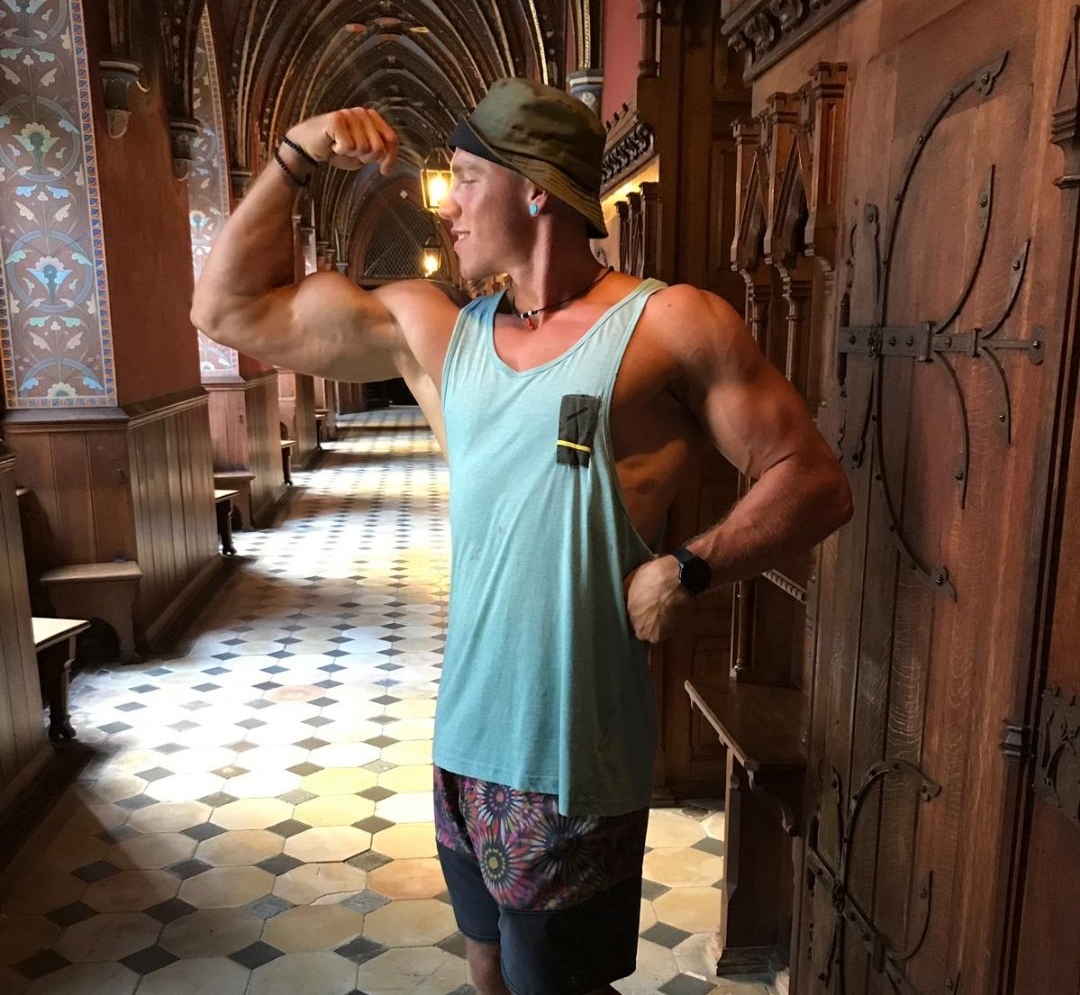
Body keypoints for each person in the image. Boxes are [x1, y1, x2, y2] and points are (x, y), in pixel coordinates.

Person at [192, 77, 852, 995]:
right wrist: (297, 155)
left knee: (557, 985)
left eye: (465, 178)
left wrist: (688, 568)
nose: (448, 206)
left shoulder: (669, 323)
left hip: (574, 751)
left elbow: (812, 480)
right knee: (489, 966)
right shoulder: (436, 332)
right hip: (465, 738)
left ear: (535, 189)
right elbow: (225, 311)